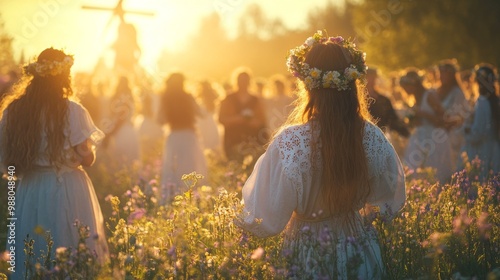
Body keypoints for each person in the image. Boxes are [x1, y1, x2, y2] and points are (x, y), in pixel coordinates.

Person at [236, 31, 406, 279]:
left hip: (309, 250)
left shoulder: (291, 142)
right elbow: (389, 198)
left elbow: (266, 216)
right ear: (353, 82)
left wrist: (229, 221)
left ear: (306, 84)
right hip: (358, 247)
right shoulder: (372, 136)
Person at [0, 48, 108, 279]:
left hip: (31, 187)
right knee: (68, 246)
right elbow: (87, 159)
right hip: (66, 186)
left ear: (35, 75)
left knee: (34, 250)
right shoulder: (72, 111)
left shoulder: (14, 111)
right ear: (64, 76)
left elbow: (7, 161)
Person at [158, 73, 207, 202]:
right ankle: (191, 199)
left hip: (174, 136)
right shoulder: (188, 97)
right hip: (188, 136)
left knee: (173, 168)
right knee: (190, 167)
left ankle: (172, 199)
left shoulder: (165, 98)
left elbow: (159, 119)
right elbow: (202, 113)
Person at [401, 69, 453, 183]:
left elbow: (444, 119)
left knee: (434, 171)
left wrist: (424, 114)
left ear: (414, 85)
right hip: (419, 136)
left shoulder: (429, 96)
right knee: (413, 167)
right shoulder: (414, 99)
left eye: (406, 86)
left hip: (434, 138)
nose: (404, 90)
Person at [460, 64, 500, 180]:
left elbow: (478, 132)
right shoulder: (495, 100)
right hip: (494, 147)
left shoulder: (483, 102)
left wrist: (466, 129)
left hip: (483, 151)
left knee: (483, 182)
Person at [219, 68, 268, 161]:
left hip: (252, 139)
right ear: (236, 81)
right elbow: (221, 119)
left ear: (249, 82)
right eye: (240, 80)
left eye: (245, 80)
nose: (243, 83)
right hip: (233, 139)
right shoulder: (228, 98)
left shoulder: (256, 100)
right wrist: (238, 119)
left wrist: (252, 121)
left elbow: (262, 121)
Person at [437, 59, 471, 170]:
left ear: (451, 76)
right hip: (439, 134)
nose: (441, 76)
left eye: (444, 74)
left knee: (453, 167)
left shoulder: (457, 93)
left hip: (453, 135)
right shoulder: (437, 91)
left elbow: (460, 117)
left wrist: (444, 121)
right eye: (440, 74)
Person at [105, 76, 140, 168]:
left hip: (122, 132)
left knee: (122, 161)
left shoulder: (122, 98)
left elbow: (121, 119)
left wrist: (110, 134)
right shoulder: (130, 97)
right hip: (128, 131)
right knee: (128, 161)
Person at [366, 67, 410, 138]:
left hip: (381, 136)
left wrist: (407, 133)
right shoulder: (357, 99)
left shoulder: (384, 100)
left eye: (373, 78)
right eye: (368, 77)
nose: (371, 80)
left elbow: (392, 120)